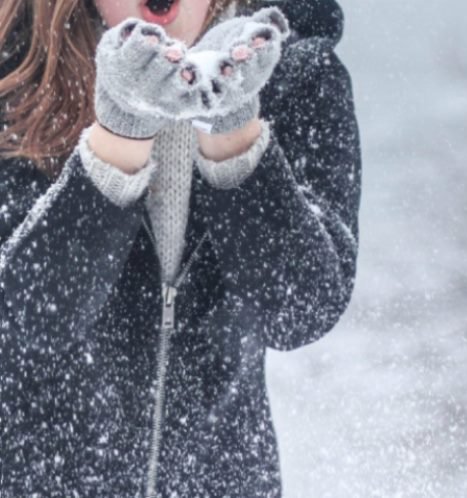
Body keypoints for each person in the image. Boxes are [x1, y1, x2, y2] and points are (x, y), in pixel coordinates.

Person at [0, 0, 361, 495]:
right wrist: (119, 136)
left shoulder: (298, 75)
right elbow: (22, 320)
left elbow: (301, 309)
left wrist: (233, 129)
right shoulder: (15, 72)